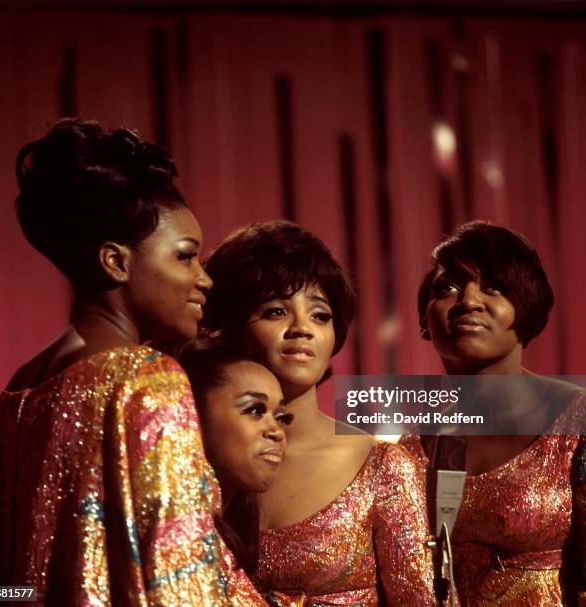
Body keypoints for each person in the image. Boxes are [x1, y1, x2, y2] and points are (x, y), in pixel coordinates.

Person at [0, 118, 265, 605]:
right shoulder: (147, 379)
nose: (204, 278)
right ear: (116, 261)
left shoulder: (13, 397)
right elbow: (184, 584)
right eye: (185, 257)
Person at [201, 220, 435, 606]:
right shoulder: (198, 459)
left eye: (320, 315)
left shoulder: (382, 466)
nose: (302, 329)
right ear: (228, 325)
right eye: (276, 311)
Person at [401, 220, 586, 606]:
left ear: (526, 308)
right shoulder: (411, 447)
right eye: (448, 287)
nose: (468, 301)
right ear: (423, 318)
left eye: (494, 287)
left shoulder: (576, 422)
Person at [179, 337, 293, 576]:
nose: (276, 432)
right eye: (254, 410)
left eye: (281, 416)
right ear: (193, 413)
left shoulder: (232, 537)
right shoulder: (180, 541)